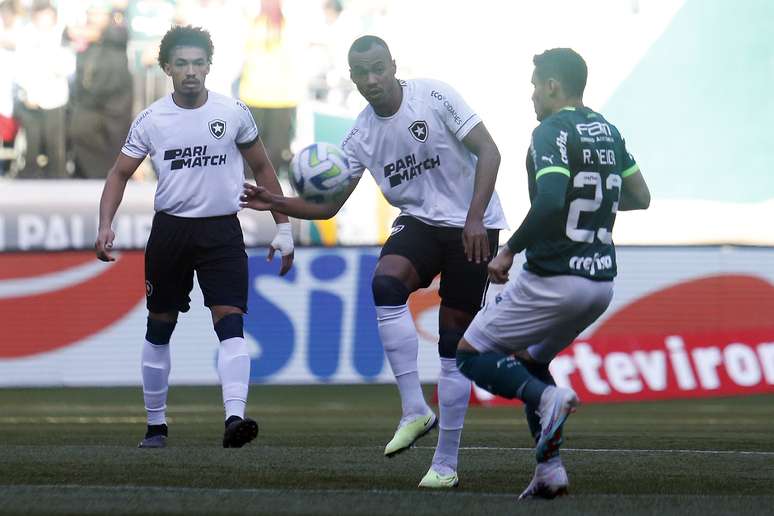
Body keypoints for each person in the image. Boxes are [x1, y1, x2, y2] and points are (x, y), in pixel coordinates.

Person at [241, 35, 507, 488]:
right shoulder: (359, 136)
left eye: (378, 68)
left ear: (393, 65)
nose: (371, 79)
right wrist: (274, 201)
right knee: (385, 285)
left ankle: (445, 464)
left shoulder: (434, 95)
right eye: (361, 73)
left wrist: (477, 217)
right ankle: (414, 409)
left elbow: (490, 150)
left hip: (471, 223)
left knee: (451, 344)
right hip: (421, 222)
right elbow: (327, 209)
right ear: (351, 77)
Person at [454, 48, 651, 499]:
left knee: (470, 353)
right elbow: (639, 195)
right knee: (529, 359)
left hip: (553, 276)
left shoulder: (551, 131)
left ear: (552, 85)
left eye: (534, 85)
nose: (531, 96)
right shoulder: (608, 129)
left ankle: (547, 399)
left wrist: (508, 251)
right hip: (600, 282)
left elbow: (549, 201)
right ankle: (550, 470)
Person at [94, 25, 295, 449]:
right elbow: (119, 174)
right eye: (181, 63)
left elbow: (263, 169)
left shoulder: (234, 112)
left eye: (197, 63)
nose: (190, 71)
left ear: (209, 66)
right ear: (167, 68)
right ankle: (155, 425)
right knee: (160, 325)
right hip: (171, 231)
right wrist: (105, 223)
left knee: (231, 321)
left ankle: (234, 418)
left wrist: (283, 227)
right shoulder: (151, 120)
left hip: (222, 230)